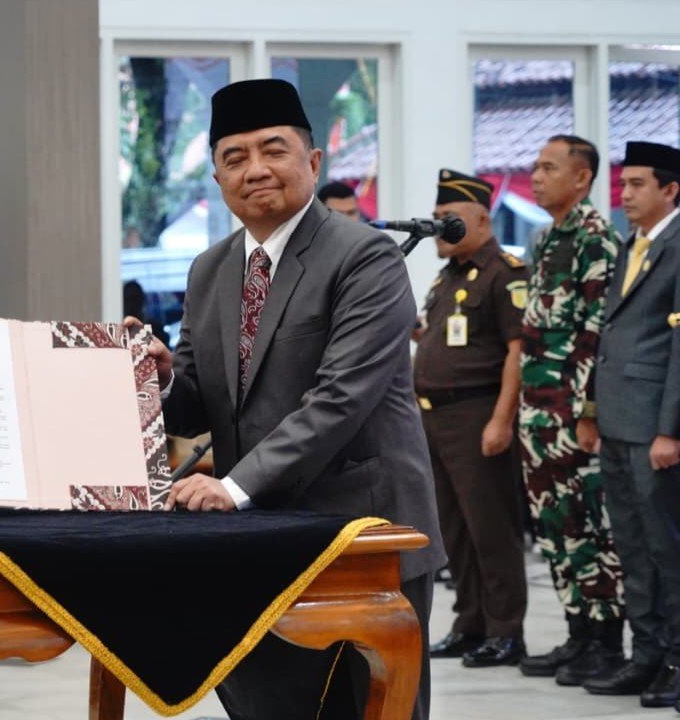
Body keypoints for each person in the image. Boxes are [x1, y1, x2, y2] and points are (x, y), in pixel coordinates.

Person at [137, 78, 445, 720]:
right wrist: (159, 380)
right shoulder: (210, 269)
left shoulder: (366, 257)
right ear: (218, 179)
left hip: (361, 529)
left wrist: (232, 487)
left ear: (313, 160)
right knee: (269, 702)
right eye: (234, 157)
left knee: (370, 706)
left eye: (273, 150)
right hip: (259, 534)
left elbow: (341, 398)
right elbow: (200, 399)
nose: (254, 169)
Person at [516, 135, 625, 685]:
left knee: (588, 526)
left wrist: (587, 412)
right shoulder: (546, 238)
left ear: (581, 179)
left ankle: (606, 641)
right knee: (554, 528)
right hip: (536, 413)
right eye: (535, 167)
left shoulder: (596, 239)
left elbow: (596, 333)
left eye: (549, 168)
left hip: (570, 415)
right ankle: (577, 633)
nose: (536, 177)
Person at [415, 170, 528, 667]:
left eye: (449, 218)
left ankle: (505, 631)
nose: (439, 228)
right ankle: (469, 623)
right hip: (434, 418)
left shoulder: (505, 273)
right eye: (436, 218)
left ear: (481, 219)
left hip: (477, 414)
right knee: (453, 530)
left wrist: (501, 420)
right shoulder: (448, 277)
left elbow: (517, 351)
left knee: (490, 527)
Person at [581, 141, 680, 707]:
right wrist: (593, 411)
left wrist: (671, 429)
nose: (625, 193)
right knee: (633, 546)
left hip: (654, 428)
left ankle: (676, 659)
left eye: (638, 184)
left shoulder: (676, 246)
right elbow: (612, 336)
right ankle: (646, 655)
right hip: (619, 420)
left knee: (667, 548)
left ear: (671, 189)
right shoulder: (631, 244)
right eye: (623, 184)